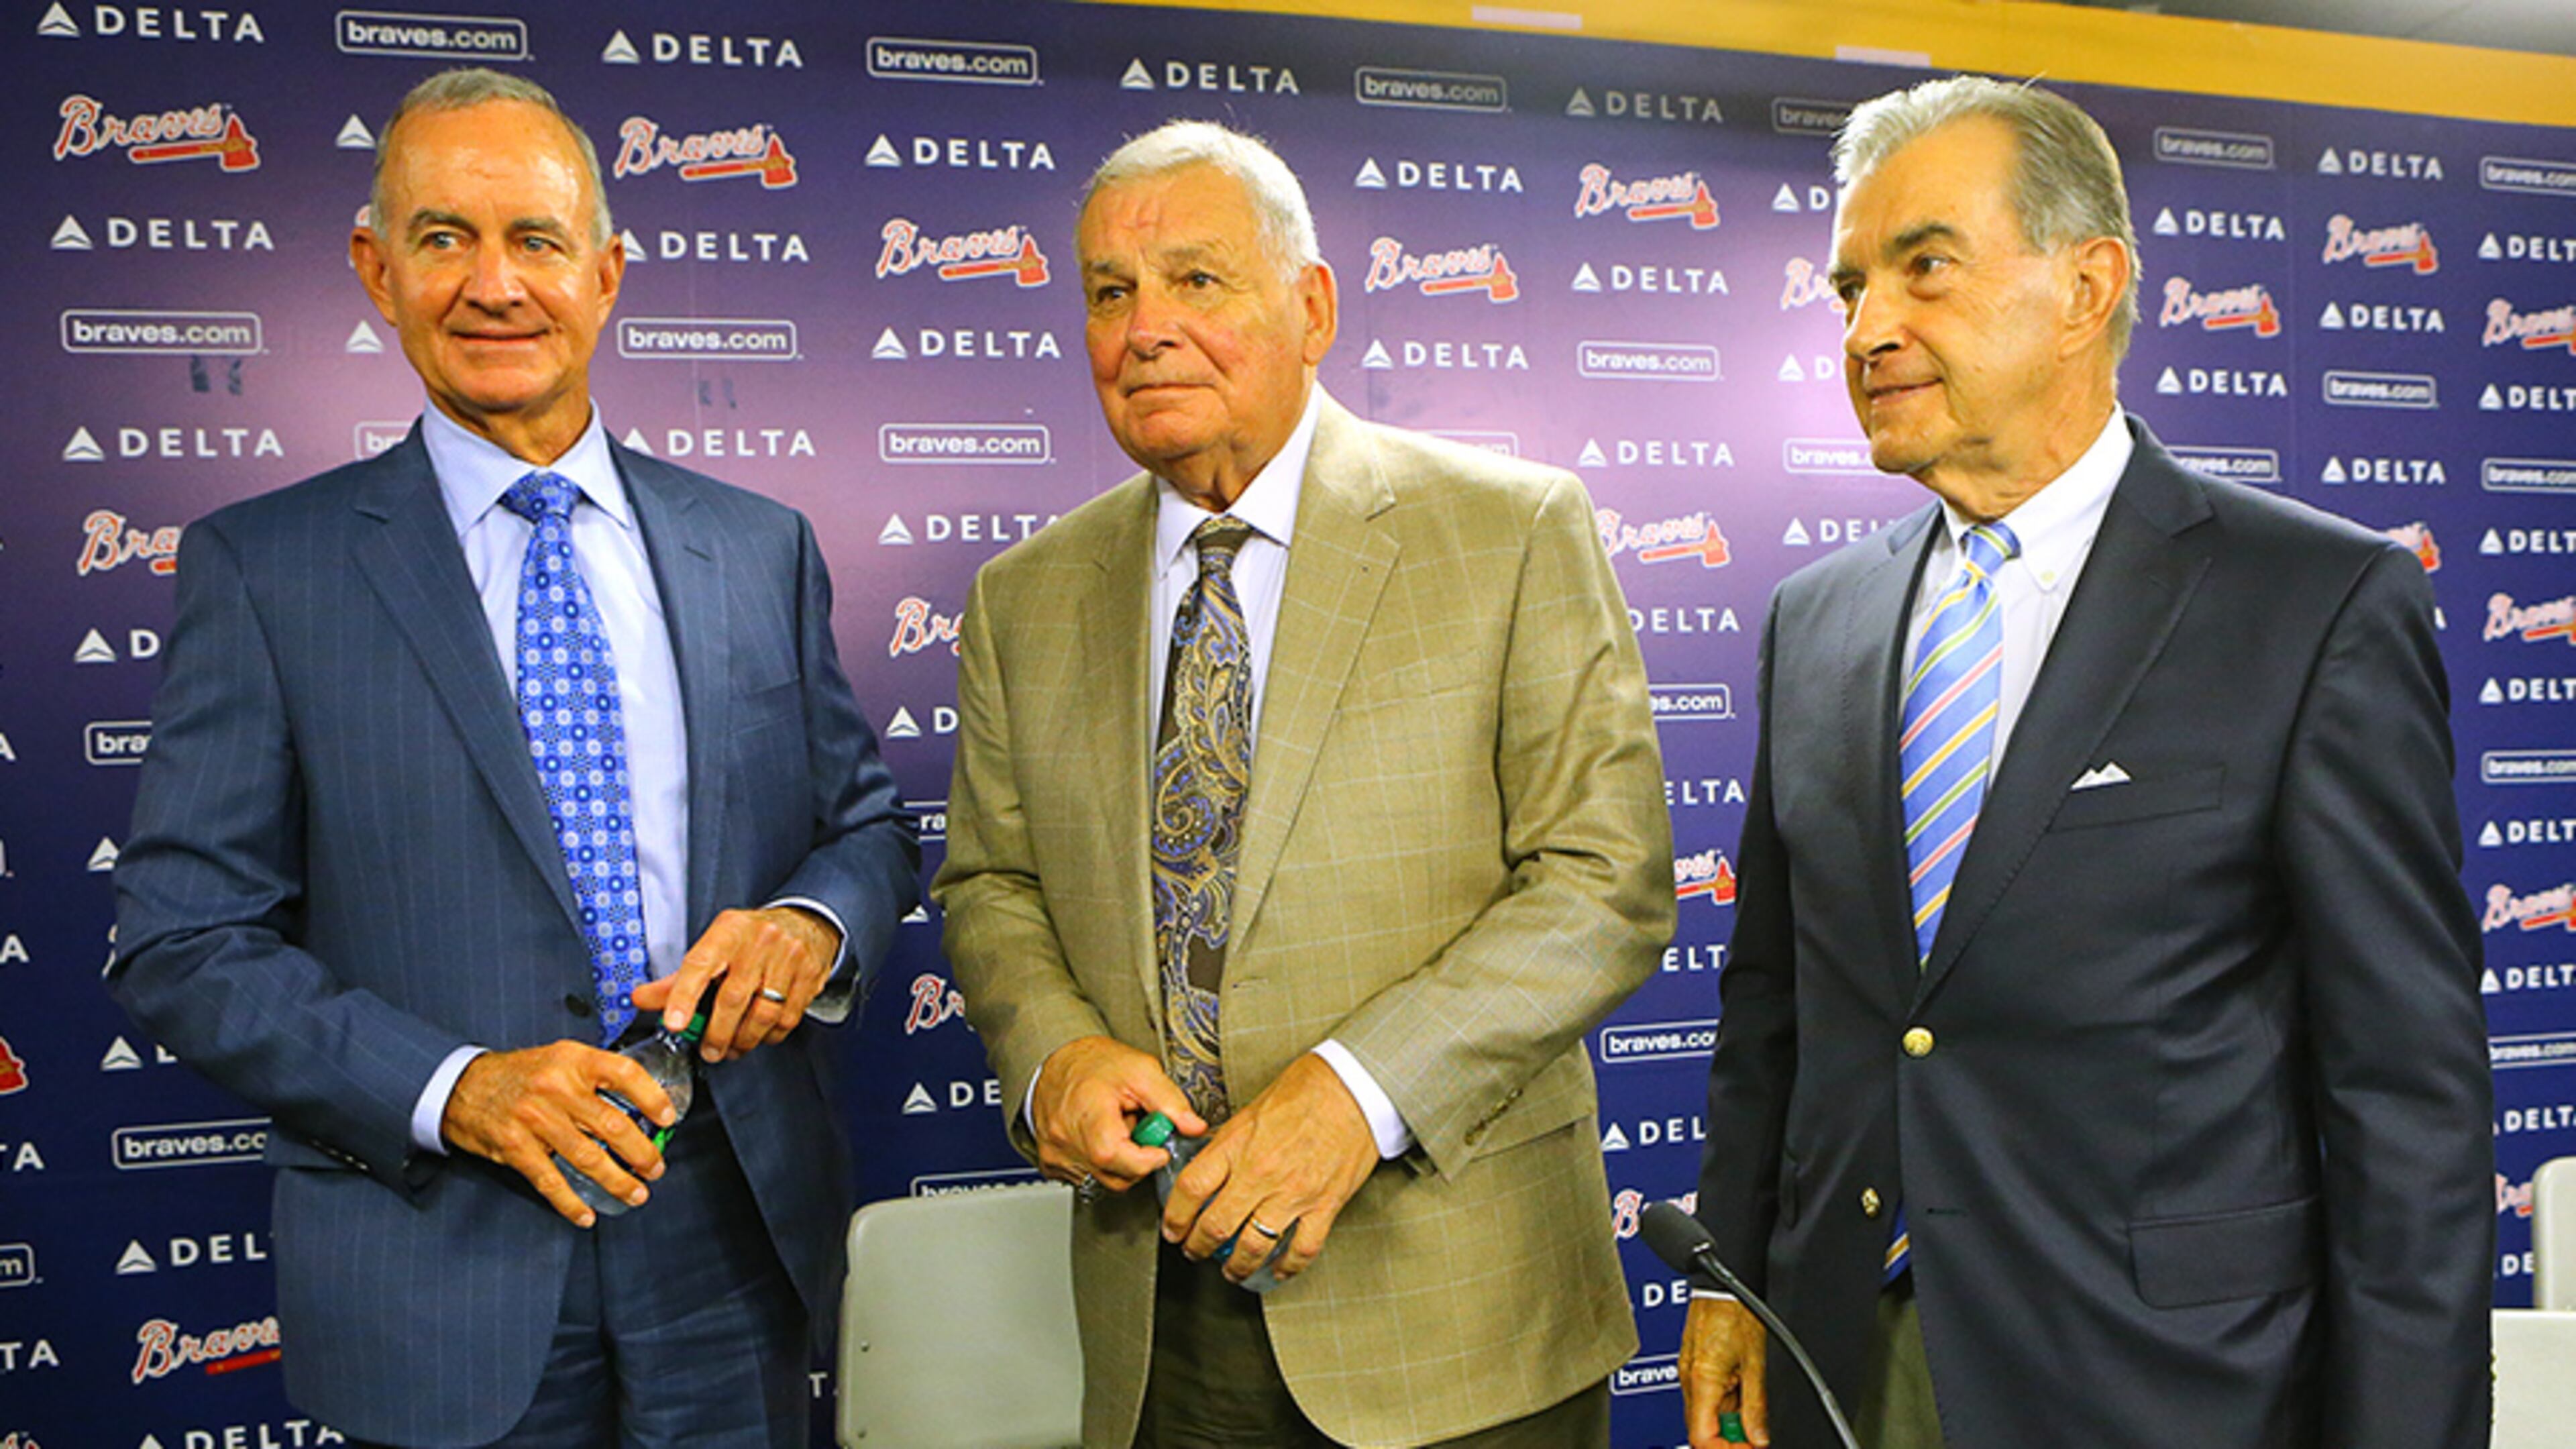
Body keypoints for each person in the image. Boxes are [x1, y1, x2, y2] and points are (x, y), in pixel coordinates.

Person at [1678, 75, 2491, 1449]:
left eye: (1924, 268)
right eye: (1850, 288)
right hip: (1841, 1367)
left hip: (2171, 1387)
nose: (1871, 327)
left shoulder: (2315, 605)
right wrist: (1730, 1282)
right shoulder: (1813, 621)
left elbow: (2405, 1099)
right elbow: (1776, 1012)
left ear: (2088, 283)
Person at [109, 68, 918, 1448]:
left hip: (730, 1243)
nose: (496, 285)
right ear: (376, 270)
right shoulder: (267, 569)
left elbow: (863, 828)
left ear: (605, 275)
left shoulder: (756, 543)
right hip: (440, 1271)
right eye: (443, 238)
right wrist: (456, 1089)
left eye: (536, 240)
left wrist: (808, 925)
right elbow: (181, 945)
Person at [932, 120, 1673, 1448]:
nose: (1147, 328)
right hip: (1157, 1319)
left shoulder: (1511, 531)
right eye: (1111, 293)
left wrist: (1356, 1092)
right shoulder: (1020, 598)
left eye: (1198, 282)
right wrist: (1053, 1056)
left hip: (1459, 1321)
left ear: (1313, 305)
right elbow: (993, 879)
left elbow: (1601, 884)